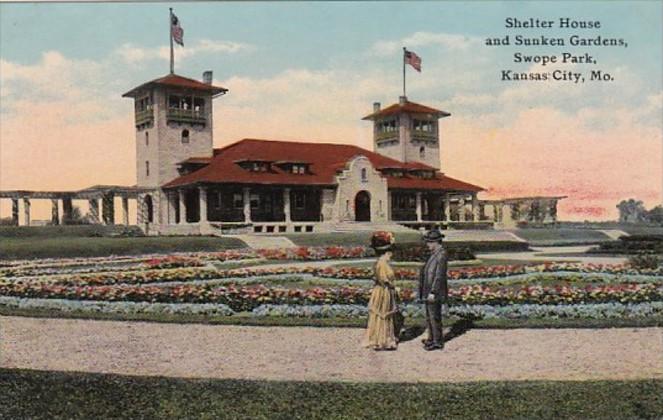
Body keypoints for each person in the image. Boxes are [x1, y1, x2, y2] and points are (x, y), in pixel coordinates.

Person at [364, 231, 399, 351]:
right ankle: (382, 340)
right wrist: (394, 287)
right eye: (390, 252)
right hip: (383, 290)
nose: (391, 254)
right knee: (383, 314)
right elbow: (385, 280)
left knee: (383, 314)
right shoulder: (382, 263)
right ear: (387, 252)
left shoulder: (380, 262)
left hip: (381, 290)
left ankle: (381, 338)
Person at [419, 229, 449, 351]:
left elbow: (439, 275)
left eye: (430, 242)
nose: (428, 245)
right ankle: (431, 338)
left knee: (434, 316)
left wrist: (433, 291)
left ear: (436, 242)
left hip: (434, 291)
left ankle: (437, 341)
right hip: (428, 289)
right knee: (429, 316)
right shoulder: (435, 253)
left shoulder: (441, 254)